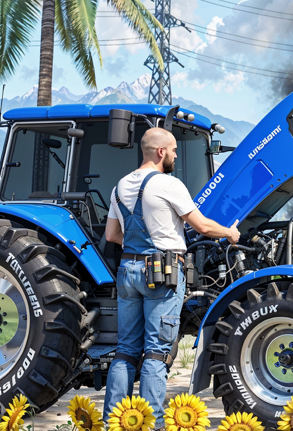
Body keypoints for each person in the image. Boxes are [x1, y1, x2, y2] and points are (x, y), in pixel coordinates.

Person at [102, 127, 240, 429]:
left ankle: (114, 421)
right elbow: (202, 226)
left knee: (125, 350)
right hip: (161, 273)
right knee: (156, 351)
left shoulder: (120, 186)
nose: (176, 154)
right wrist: (229, 232)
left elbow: (112, 235)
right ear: (160, 152)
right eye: (174, 149)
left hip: (128, 270)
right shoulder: (169, 184)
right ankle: (151, 424)